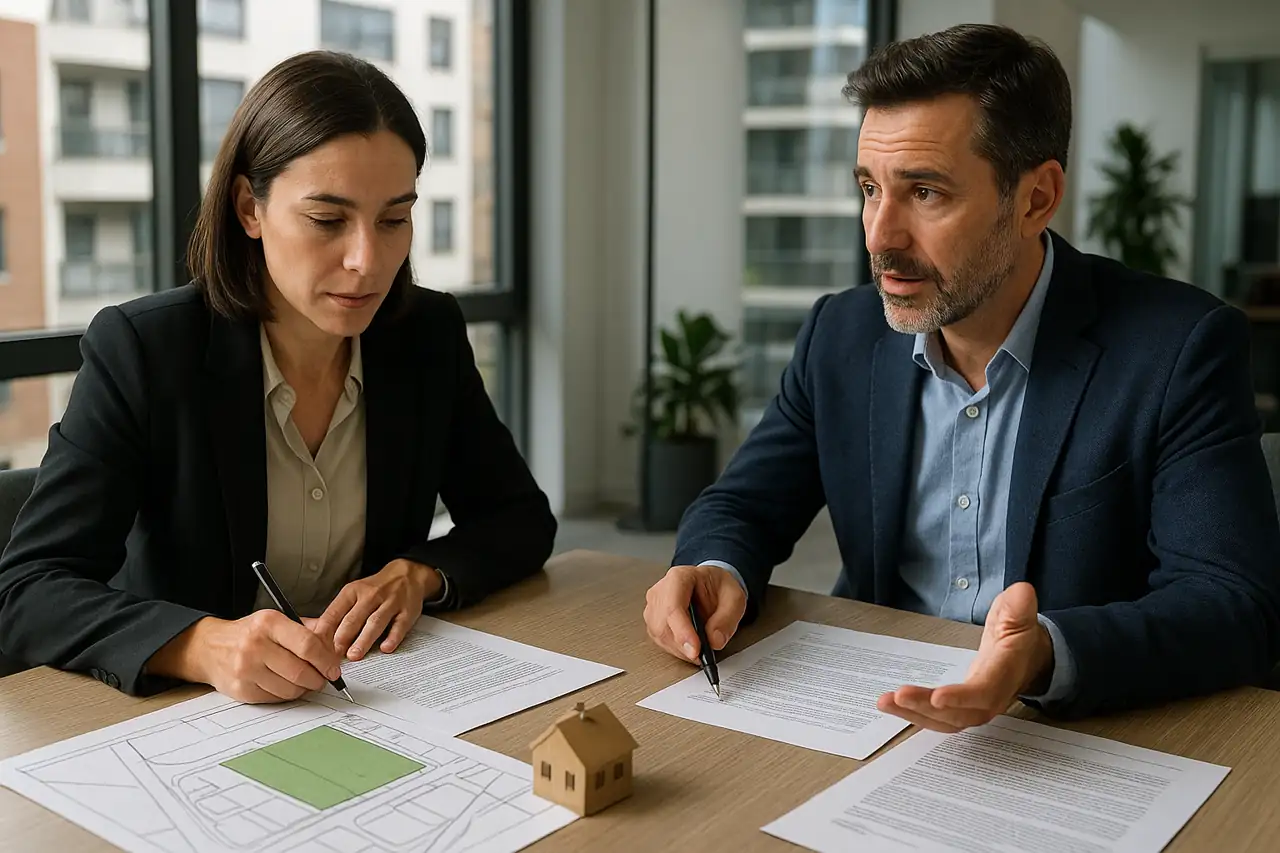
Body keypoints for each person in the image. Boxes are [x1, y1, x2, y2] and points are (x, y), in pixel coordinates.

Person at [643, 23, 1280, 730]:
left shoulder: (1180, 347)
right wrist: (713, 568)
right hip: (870, 712)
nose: (879, 236)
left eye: (925, 192)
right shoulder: (840, 334)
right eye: (869, 188)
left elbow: (1234, 602)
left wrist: (1043, 655)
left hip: (1073, 732)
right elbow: (743, 505)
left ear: (1036, 199)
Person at [0, 51, 556, 704]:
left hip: (376, 699)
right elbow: (28, 589)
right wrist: (201, 644)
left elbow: (520, 520)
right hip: (185, 717)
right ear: (249, 209)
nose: (367, 260)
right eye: (327, 220)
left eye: (394, 219)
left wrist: (420, 573)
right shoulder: (146, 349)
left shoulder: (424, 334)